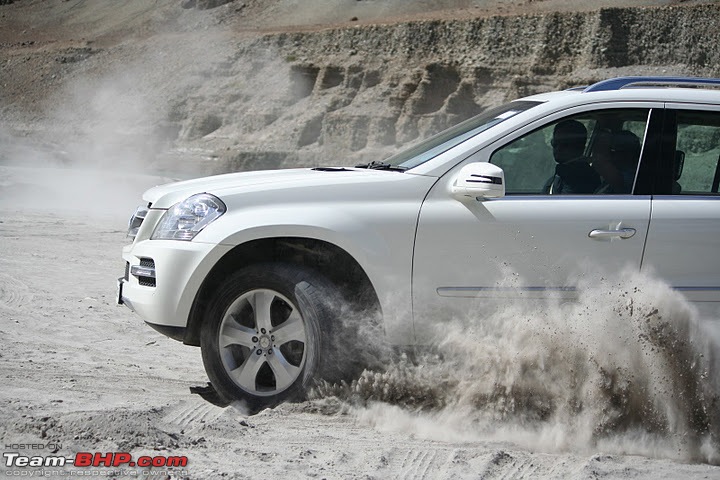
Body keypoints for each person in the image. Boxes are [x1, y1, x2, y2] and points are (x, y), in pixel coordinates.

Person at [545, 120, 601, 194]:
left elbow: (563, 204)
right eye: (555, 143)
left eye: (564, 144)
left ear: (579, 146)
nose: (558, 149)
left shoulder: (581, 177)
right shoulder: (563, 172)